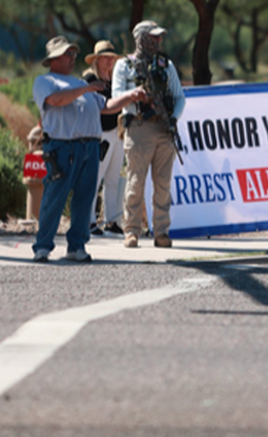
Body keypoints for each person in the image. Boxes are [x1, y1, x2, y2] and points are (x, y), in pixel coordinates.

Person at [31, 35, 143, 263]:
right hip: (62, 147)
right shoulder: (45, 81)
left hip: (90, 147)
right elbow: (56, 101)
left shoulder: (83, 85)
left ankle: (77, 246)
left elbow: (107, 106)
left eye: (73, 54)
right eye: (67, 54)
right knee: (55, 197)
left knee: (85, 198)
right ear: (53, 59)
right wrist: (86, 89)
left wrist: (130, 96)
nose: (73, 58)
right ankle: (43, 246)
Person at [113, 20, 186, 249]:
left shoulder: (166, 65)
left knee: (163, 185)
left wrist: (172, 118)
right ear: (141, 38)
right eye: (153, 37)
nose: (158, 41)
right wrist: (134, 95)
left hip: (164, 130)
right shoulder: (124, 66)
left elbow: (180, 97)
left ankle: (161, 232)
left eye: (159, 37)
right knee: (135, 182)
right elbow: (116, 96)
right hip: (139, 127)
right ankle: (131, 231)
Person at [82, 40, 126, 237]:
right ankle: (89, 219)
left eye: (112, 58)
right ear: (97, 60)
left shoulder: (115, 80)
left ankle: (112, 220)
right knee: (95, 178)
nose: (110, 62)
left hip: (117, 132)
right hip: (102, 132)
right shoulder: (90, 79)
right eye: (106, 58)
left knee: (113, 179)